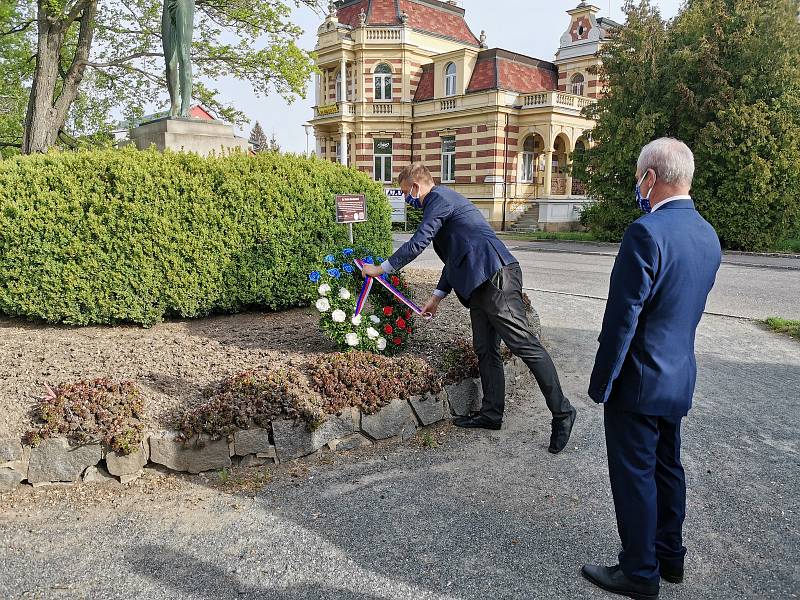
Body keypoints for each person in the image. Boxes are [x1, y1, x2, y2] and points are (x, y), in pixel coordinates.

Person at [581, 138, 721, 600]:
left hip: (638, 380)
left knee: (634, 473)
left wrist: (601, 383)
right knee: (667, 465)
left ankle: (639, 572)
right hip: (678, 374)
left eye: (639, 176)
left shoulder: (646, 232)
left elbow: (623, 317)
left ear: (651, 178)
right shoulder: (706, 233)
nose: (637, 185)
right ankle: (670, 556)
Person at [359, 162, 577, 453]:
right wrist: (436, 298)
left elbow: (418, 243)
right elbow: (454, 258)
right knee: (485, 349)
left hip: (495, 276)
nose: (407, 199)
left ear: (415, 186)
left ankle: (562, 413)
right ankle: (491, 414)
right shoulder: (443, 204)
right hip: (479, 283)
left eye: (405, 193)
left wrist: (381, 269)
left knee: (524, 345)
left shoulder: (438, 199)